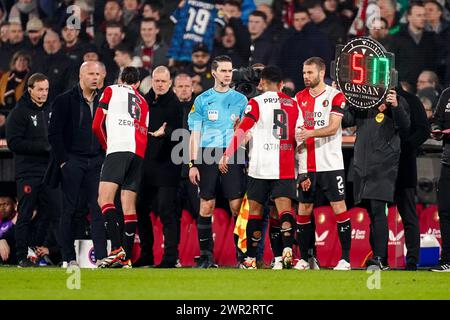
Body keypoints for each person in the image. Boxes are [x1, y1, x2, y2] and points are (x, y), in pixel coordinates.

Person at [219, 65, 300, 269]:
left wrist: (227, 154)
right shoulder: (293, 103)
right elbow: (301, 136)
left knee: (255, 212)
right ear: (281, 85)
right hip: (285, 166)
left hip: (260, 166)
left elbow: (242, 131)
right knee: (284, 211)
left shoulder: (255, 103)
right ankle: (286, 251)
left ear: (262, 83)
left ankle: (252, 258)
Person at [188, 55, 247, 268]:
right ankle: (206, 257)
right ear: (214, 73)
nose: (228, 74)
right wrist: (193, 164)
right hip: (207, 154)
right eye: (223, 71)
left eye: (230, 71)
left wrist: (238, 142)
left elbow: (245, 132)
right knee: (206, 205)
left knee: (236, 206)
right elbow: (194, 134)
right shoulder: (202, 100)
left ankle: (243, 257)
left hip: (232, 154)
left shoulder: (241, 100)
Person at [343, 87, 410, 270]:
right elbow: (345, 121)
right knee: (372, 212)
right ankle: (381, 258)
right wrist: (345, 101)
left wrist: (395, 105)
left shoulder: (397, 100)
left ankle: (380, 257)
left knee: (378, 210)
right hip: (362, 165)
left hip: (384, 165)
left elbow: (405, 127)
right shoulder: (363, 100)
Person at [47, 61, 108, 267]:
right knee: (69, 210)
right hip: (73, 161)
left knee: (98, 209)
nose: (95, 78)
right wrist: (64, 161)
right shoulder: (64, 100)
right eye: (91, 73)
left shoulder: (106, 101)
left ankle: (100, 258)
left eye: (98, 74)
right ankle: (68, 258)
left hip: (97, 161)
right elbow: (54, 133)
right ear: (81, 76)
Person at [294, 57, 351, 271]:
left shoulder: (335, 95)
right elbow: (296, 130)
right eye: (304, 73)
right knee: (304, 210)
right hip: (306, 165)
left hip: (331, 164)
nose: (306, 77)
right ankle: (307, 258)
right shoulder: (298, 98)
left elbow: (334, 127)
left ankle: (345, 259)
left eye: (310, 72)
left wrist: (310, 132)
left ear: (321, 71)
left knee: (339, 208)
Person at [92, 66, 149, 268]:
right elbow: (143, 129)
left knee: (104, 198)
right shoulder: (143, 101)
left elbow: (96, 124)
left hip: (118, 150)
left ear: (120, 79)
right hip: (138, 154)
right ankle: (126, 259)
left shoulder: (111, 90)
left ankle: (116, 249)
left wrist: (108, 146)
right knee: (128, 206)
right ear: (138, 84)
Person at [5, 73, 62, 268]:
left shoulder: (52, 110)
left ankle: (61, 255)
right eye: (39, 89)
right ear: (30, 90)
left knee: (58, 213)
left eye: (46, 89)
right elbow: (13, 143)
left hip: (50, 173)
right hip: (28, 173)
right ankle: (21, 257)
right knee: (26, 214)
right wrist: (43, 147)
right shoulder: (19, 113)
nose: (43, 93)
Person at [135, 66, 183, 268]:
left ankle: (170, 257)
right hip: (146, 166)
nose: (160, 85)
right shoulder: (143, 101)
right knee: (140, 209)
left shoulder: (176, 105)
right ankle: (147, 254)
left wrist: (167, 132)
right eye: (157, 81)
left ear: (170, 83)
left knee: (166, 211)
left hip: (167, 166)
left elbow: (182, 134)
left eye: (164, 81)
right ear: (152, 81)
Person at [395, 86, 430, 270]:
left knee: (407, 213)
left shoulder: (411, 100)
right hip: (379, 167)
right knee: (377, 213)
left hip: (403, 165)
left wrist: (406, 147)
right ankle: (379, 257)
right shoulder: (373, 100)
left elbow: (424, 130)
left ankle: (412, 260)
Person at [430, 86, 450, 272]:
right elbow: (436, 120)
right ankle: (447, 260)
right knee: (445, 212)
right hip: (448, 162)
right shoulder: (447, 94)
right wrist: (436, 130)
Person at [0, 194, 17, 265]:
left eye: (6, 204)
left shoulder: (21, 219)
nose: (2, 208)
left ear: (14, 205)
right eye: (0, 204)